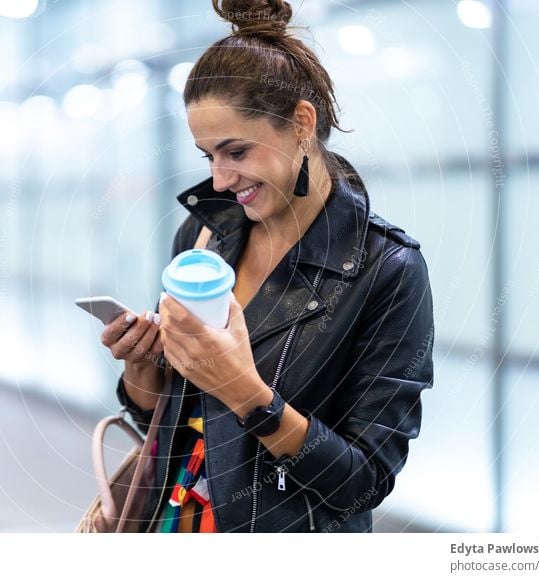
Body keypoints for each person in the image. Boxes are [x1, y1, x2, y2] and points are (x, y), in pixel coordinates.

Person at [99, 0, 434, 533]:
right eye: (207, 155)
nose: (220, 178)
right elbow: (171, 424)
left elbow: (363, 482)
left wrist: (246, 393)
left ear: (302, 123)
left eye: (236, 151)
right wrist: (142, 366)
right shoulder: (205, 235)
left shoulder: (386, 269)